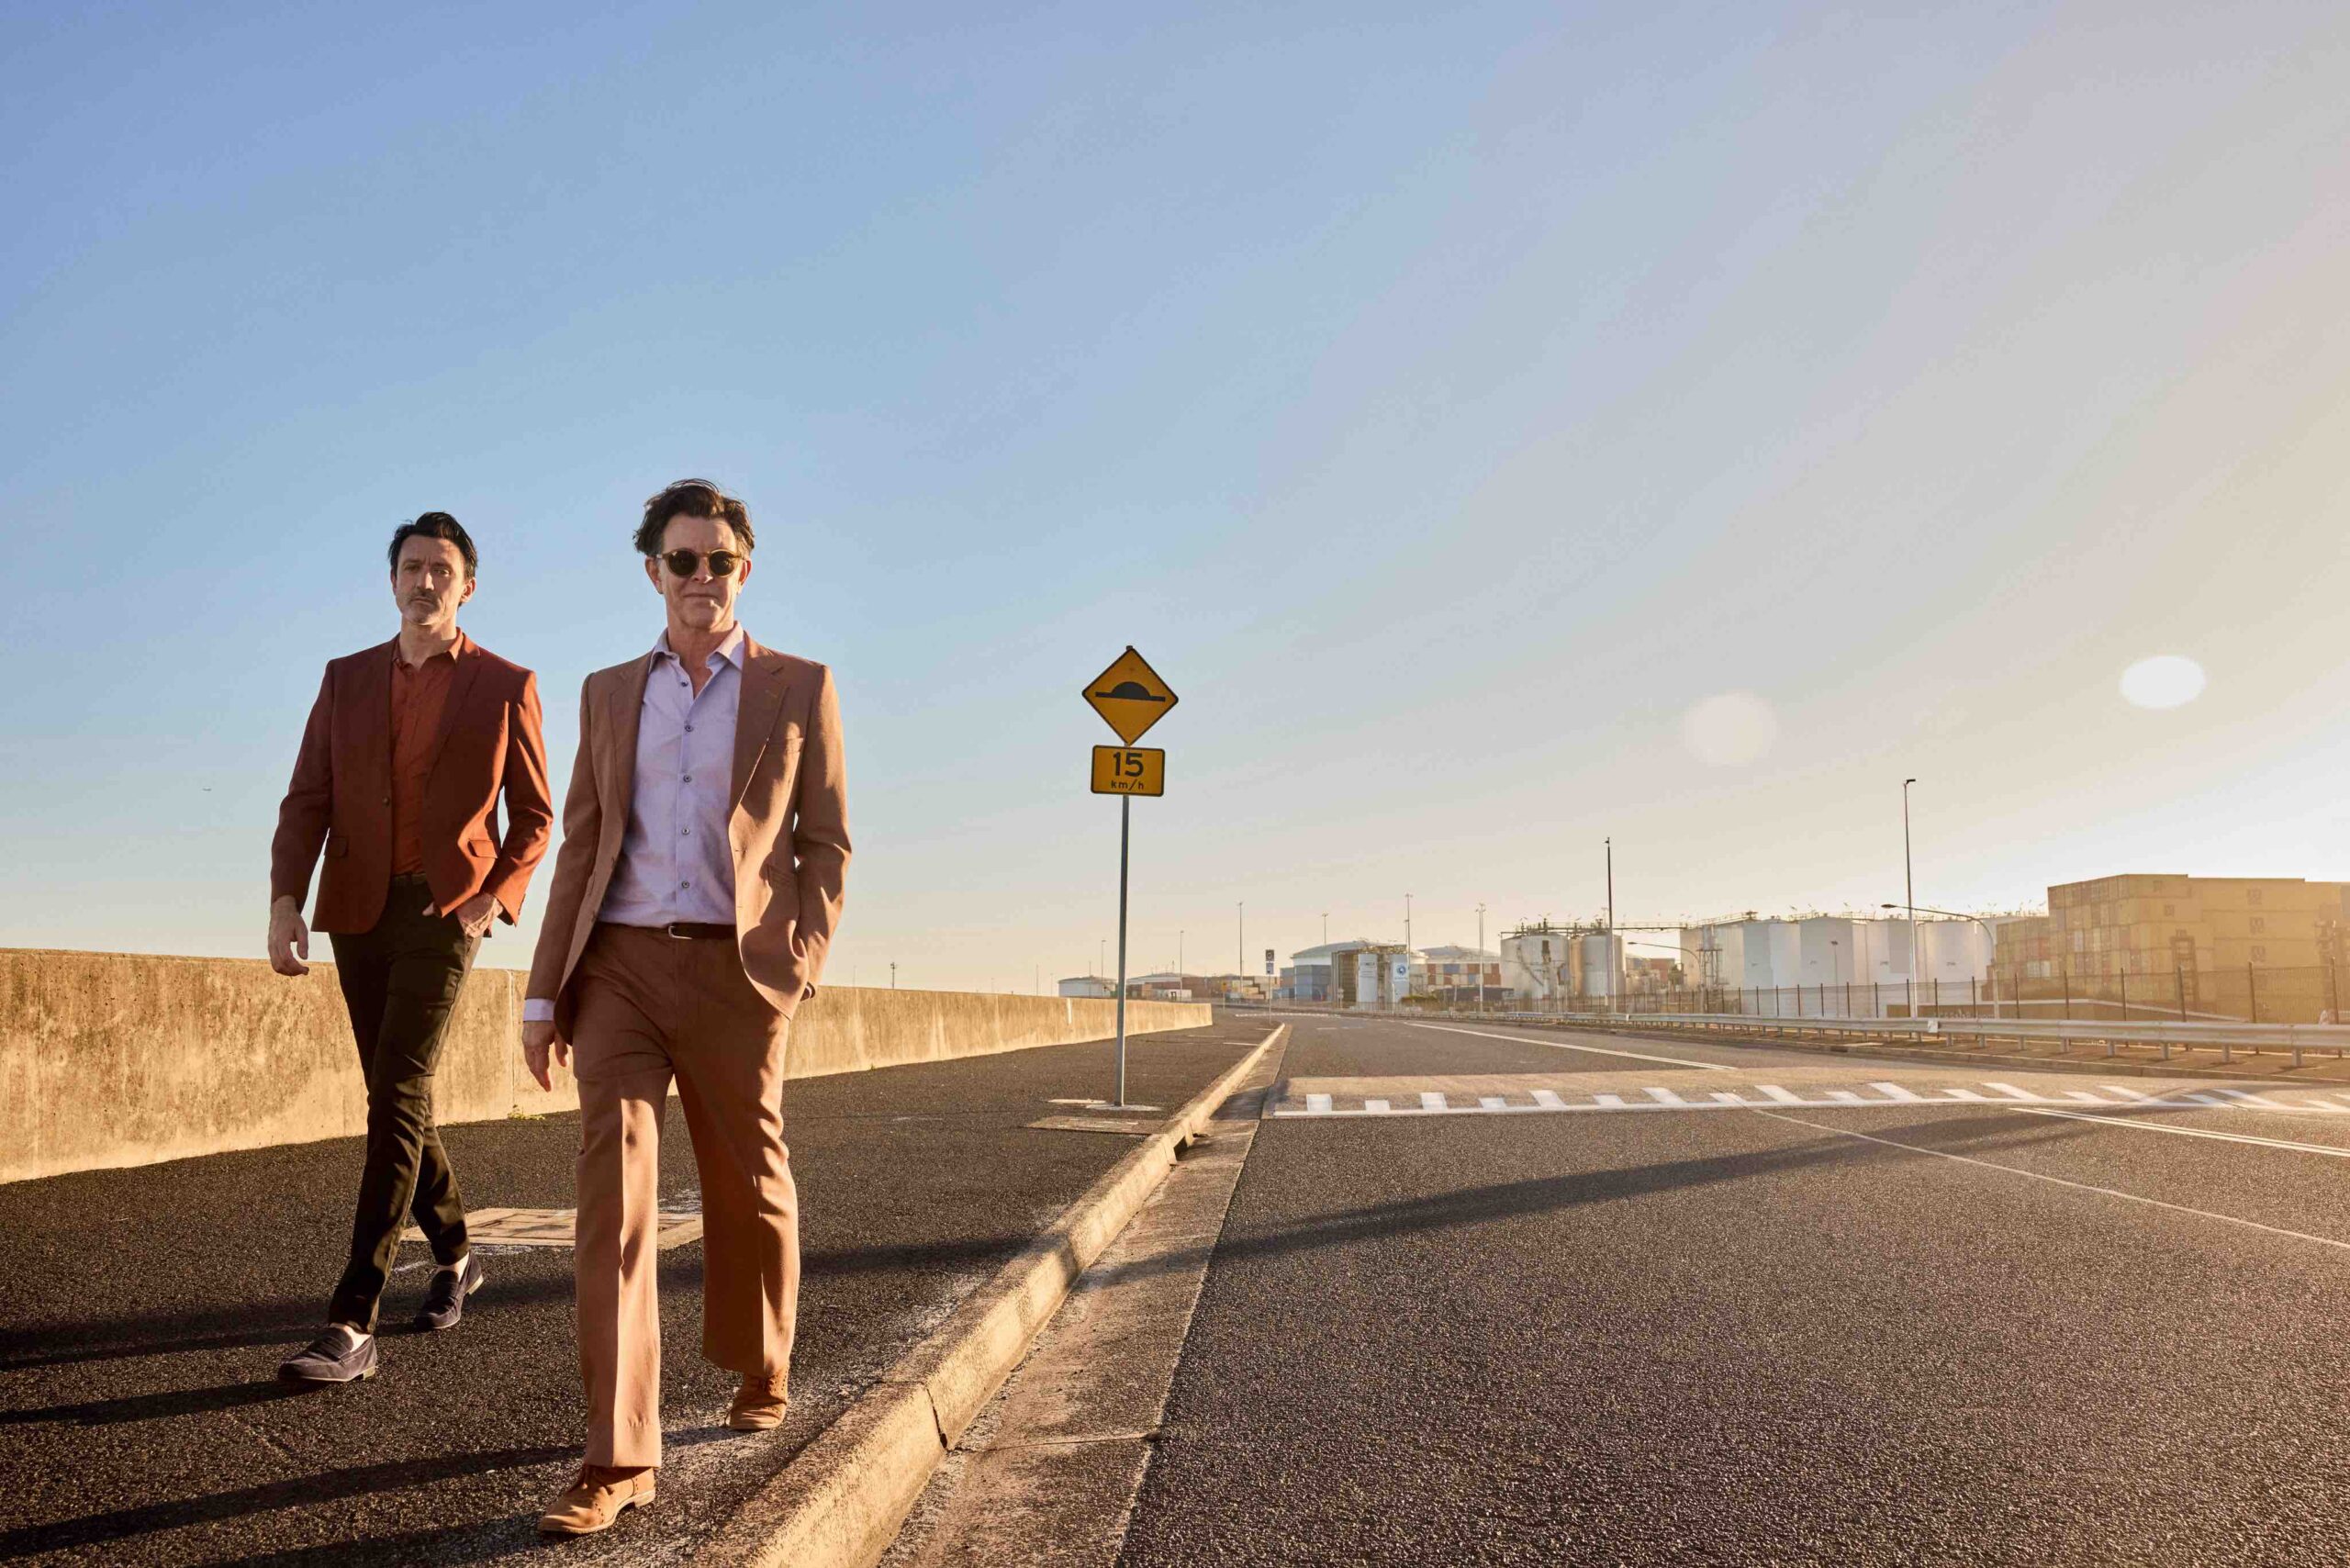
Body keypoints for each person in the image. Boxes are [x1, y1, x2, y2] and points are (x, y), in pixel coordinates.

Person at [520, 478, 850, 1537]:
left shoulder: (799, 685)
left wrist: (798, 962)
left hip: (737, 971)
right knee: (611, 1197)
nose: (701, 576)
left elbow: (825, 843)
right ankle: (617, 1455)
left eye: (719, 560)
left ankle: (761, 1356)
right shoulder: (608, 692)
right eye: (681, 559)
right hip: (617, 968)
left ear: (744, 570)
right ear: (652, 571)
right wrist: (543, 991)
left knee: (746, 1179)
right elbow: (581, 844)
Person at [268, 512, 554, 1383]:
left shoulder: (505, 684)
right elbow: (308, 796)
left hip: (444, 914)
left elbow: (535, 815)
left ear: (468, 587)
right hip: (356, 909)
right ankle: (458, 1255)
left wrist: (492, 899)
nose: (425, 582)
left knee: (395, 1092)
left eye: (442, 570)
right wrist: (285, 900)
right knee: (399, 1095)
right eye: (412, 567)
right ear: (392, 580)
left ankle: (352, 1319)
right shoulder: (346, 678)